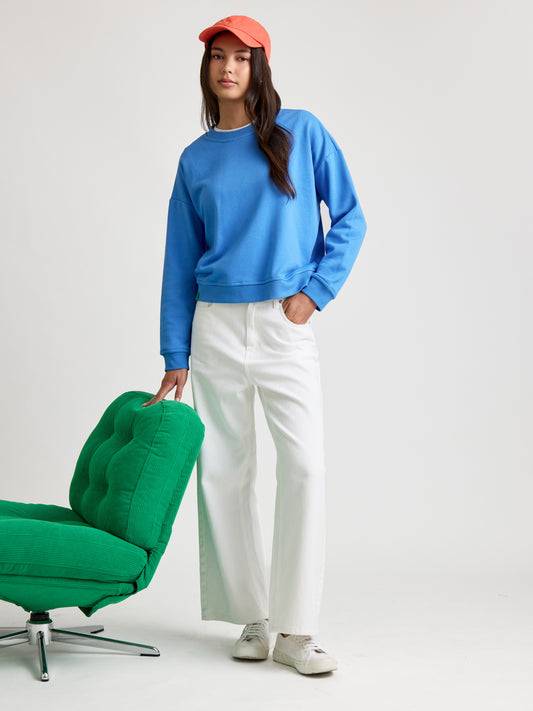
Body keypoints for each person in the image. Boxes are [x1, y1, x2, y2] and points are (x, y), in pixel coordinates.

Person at [144, 15, 367, 675]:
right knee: (224, 469)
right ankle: (253, 617)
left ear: (260, 65)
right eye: (219, 56)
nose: (228, 67)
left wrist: (315, 292)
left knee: (304, 466)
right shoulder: (195, 158)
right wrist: (175, 353)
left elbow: (350, 216)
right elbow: (178, 260)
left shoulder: (301, 131)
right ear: (207, 67)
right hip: (213, 326)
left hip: (281, 324)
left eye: (241, 57)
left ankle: (297, 630)